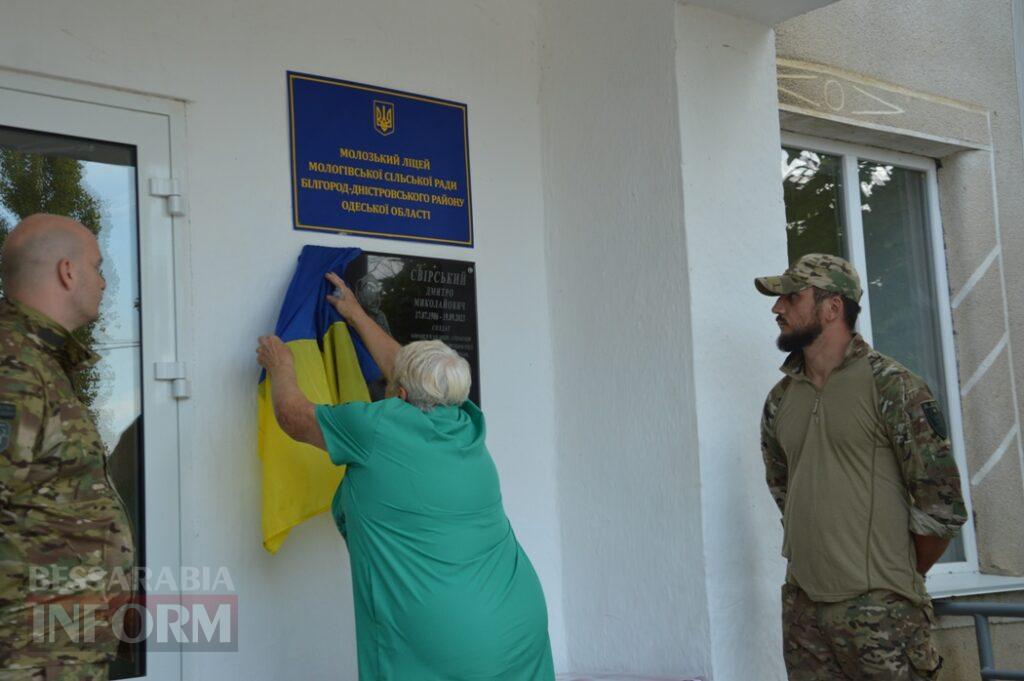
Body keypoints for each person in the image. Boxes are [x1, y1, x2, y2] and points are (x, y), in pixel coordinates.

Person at [256, 270, 555, 681]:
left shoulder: (380, 427)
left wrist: (282, 365)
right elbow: (413, 374)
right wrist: (357, 315)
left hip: (443, 641)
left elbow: (294, 417)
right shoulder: (467, 421)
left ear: (397, 398)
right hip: (519, 625)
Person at [756, 253, 967, 681]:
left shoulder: (893, 386)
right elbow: (784, 489)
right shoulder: (780, 399)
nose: (778, 308)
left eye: (791, 298)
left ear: (832, 307)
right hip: (803, 610)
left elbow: (942, 505)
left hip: (882, 614)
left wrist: (889, 576)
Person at [0, 214, 135, 681]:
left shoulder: (40, 362)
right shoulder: (12, 367)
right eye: (97, 267)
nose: (103, 282)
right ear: (68, 272)